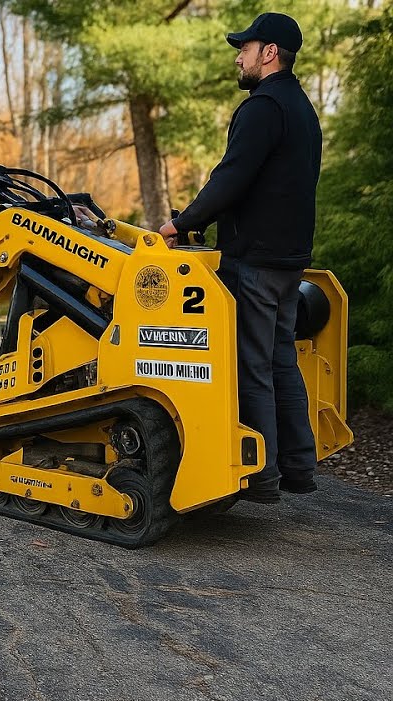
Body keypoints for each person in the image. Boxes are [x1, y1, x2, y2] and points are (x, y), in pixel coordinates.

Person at [158, 12, 322, 504]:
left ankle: (261, 475)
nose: (239, 57)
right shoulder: (302, 108)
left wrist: (180, 224)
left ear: (269, 53)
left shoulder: (263, 107)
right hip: (288, 260)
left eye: (245, 49)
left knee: (250, 365)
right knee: (280, 360)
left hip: (254, 261)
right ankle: (298, 467)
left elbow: (231, 178)